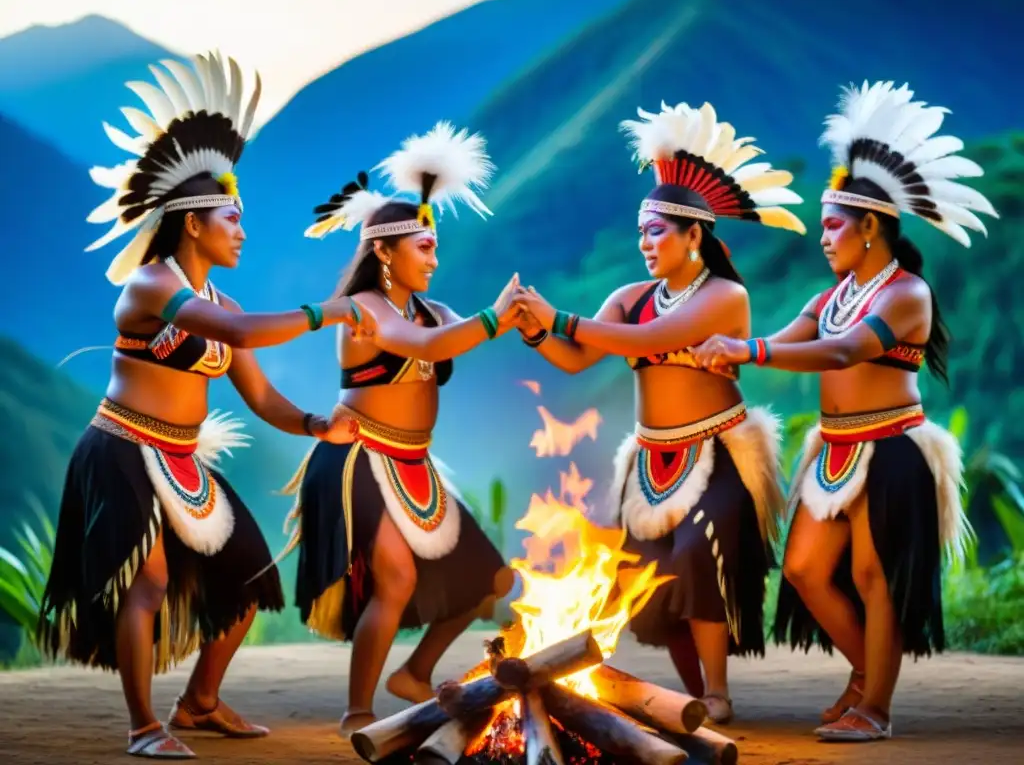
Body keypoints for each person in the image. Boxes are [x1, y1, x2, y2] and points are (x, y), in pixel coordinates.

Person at [36, 51, 368, 760]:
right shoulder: (152, 289)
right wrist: (331, 310)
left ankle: (199, 703)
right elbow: (243, 336)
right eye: (231, 218)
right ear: (192, 224)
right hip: (121, 450)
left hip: (181, 457)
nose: (242, 230)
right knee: (148, 578)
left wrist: (315, 423)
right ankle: (142, 725)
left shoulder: (224, 304)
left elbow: (258, 394)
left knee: (249, 578)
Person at [693, 80, 997, 741]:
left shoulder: (907, 295)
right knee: (802, 569)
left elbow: (840, 355)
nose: (823, 237)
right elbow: (791, 339)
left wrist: (746, 349)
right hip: (834, 448)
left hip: (891, 447)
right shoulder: (831, 294)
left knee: (873, 574)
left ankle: (877, 710)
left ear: (870, 226)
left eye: (833, 224)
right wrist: (722, 352)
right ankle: (868, 675)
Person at [511, 100, 807, 723]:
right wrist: (534, 328)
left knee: (698, 555)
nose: (645, 243)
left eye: (657, 232)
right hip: (649, 458)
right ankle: (694, 689)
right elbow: (576, 358)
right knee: (648, 579)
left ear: (694, 235)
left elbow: (646, 342)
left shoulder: (726, 296)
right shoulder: (629, 296)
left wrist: (560, 316)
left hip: (718, 451)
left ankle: (718, 690)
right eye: (641, 232)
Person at [280, 121, 517, 736]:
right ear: (383, 252)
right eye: (424, 248)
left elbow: (455, 330)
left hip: (416, 463)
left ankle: (414, 674)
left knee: (490, 579)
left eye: (436, 247)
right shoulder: (364, 313)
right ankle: (357, 710)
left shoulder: (433, 308)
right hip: (358, 459)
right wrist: (499, 313)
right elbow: (433, 343)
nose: (435, 259)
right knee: (397, 580)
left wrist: (536, 321)